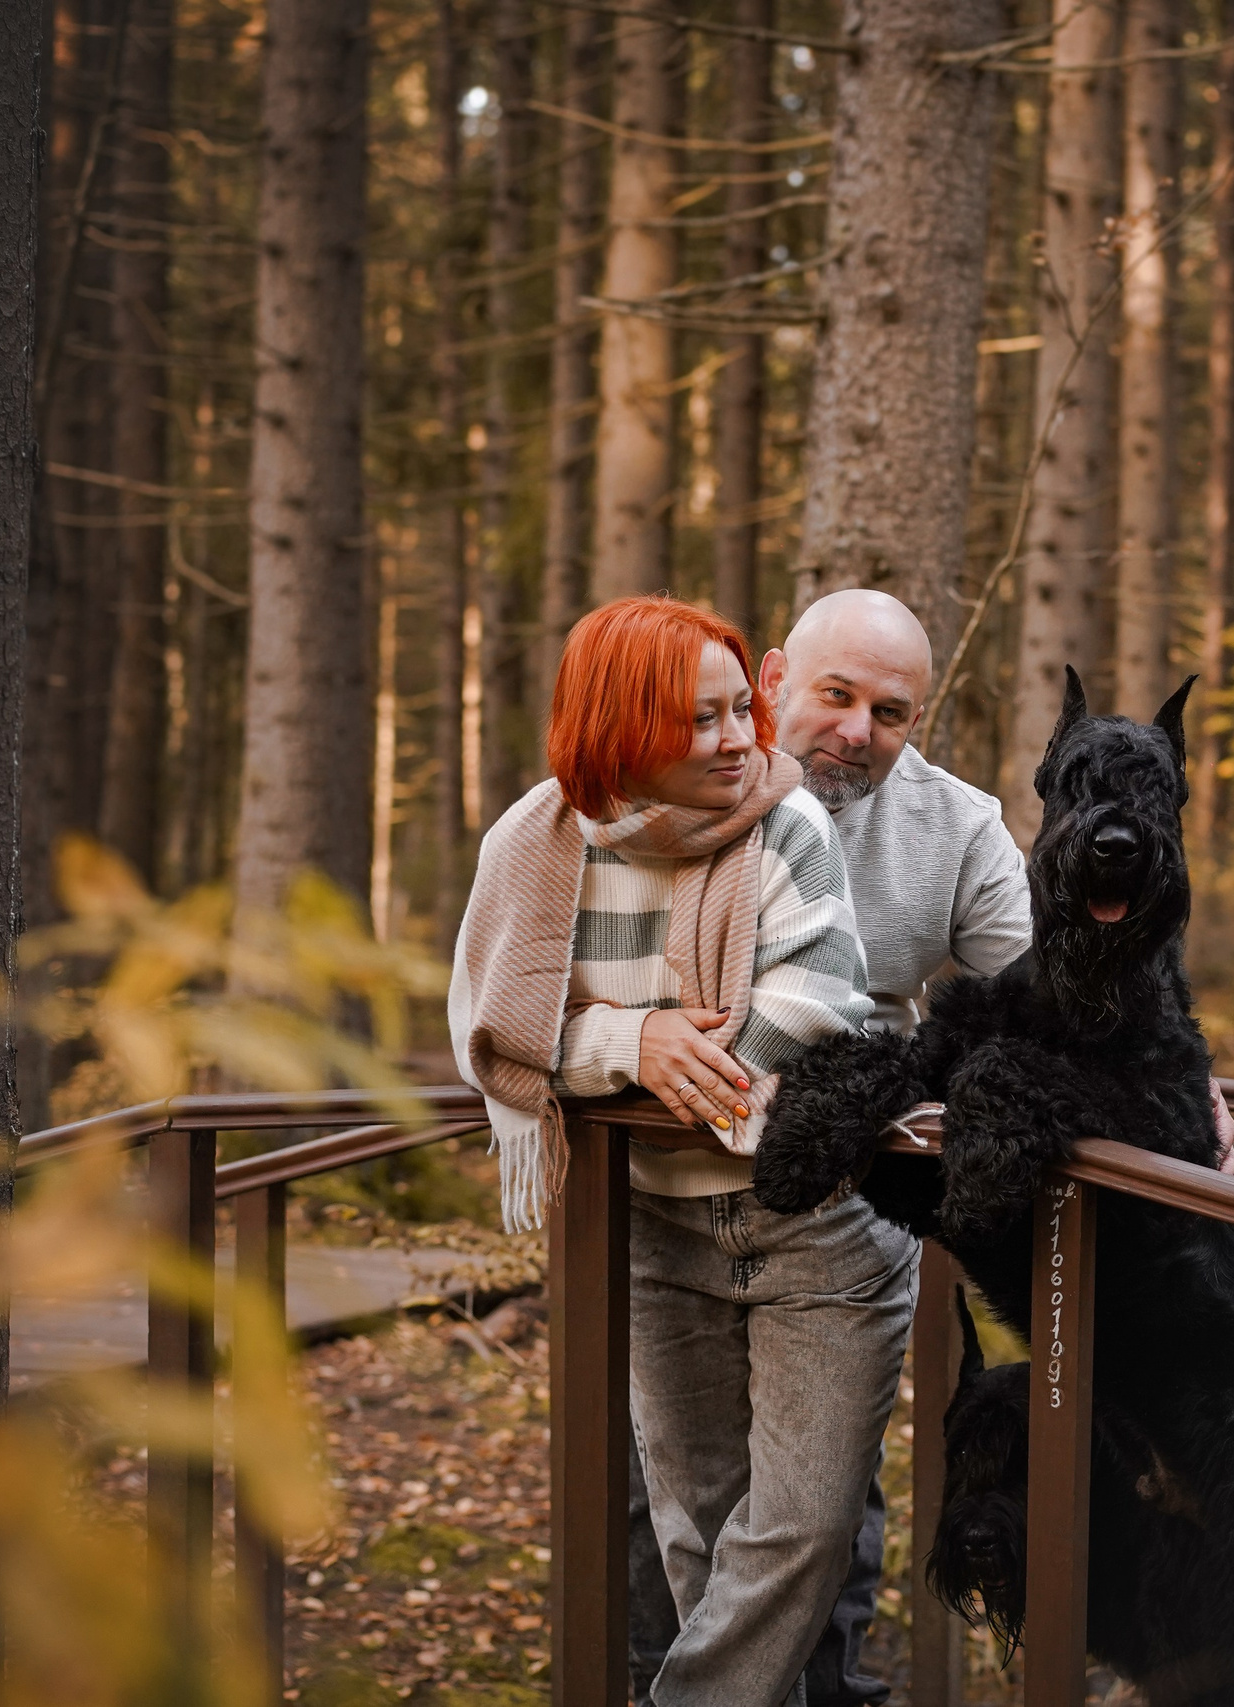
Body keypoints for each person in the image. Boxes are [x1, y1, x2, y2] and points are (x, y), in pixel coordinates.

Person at [449, 594, 904, 1707]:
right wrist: (629, 1040)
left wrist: (644, 1060)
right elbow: (492, 1024)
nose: (742, 739)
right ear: (621, 728)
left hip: (820, 1230)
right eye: (701, 720)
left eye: (740, 708)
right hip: (652, 1228)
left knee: (797, 1532)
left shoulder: (786, 825)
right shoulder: (533, 843)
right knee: (700, 1535)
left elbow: (813, 999)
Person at [624, 588, 1033, 1706]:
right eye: (835, 695)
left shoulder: (957, 825)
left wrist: (1185, 1076)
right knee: (679, 1516)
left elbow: (1046, 996)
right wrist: (628, 1032)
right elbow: (546, 954)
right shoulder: (666, 783)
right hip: (662, 1201)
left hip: (845, 1211)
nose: (858, 729)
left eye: (890, 712)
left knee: (819, 1519)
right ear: (769, 683)